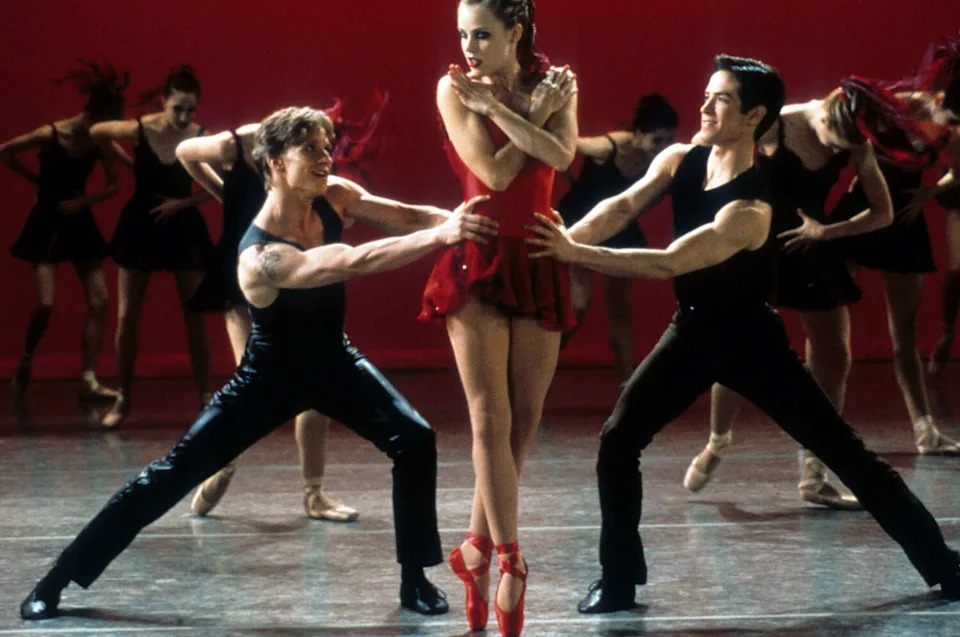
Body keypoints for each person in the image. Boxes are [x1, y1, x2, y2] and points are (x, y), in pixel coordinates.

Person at [19, 106, 498, 621]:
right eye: (309, 149)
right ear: (273, 162)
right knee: (168, 476)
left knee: (415, 439)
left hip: (334, 361)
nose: (325, 158)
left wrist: (463, 220)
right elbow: (352, 261)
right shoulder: (259, 256)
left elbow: (406, 215)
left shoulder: (335, 196)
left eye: (326, 147)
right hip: (268, 380)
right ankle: (56, 580)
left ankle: (414, 581)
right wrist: (441, 236)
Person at [525, 54, 960, 613]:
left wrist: (571, 254)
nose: (705, 105)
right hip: (692, 331)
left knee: (847, 456)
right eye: (708, 95)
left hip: (752, 341)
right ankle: (618, 580)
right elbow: (622, 206)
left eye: (722, 99)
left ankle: (945, 566)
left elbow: (669, 262)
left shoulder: (753, 206)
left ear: (754, 116)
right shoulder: (680, 159)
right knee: (618, 441)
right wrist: (565, 244)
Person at [683, 73, 960, 507]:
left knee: (834, 355)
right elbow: (714, 155)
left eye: (850, 145)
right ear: (828, 114)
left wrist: (827, 232)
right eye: (837, 141)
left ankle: (814, 472)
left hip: (806, 243)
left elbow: (883, 212)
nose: (840, 150)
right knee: (740, 349)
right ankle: (718, 440)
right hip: (756, 245)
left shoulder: (856, 140)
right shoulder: (781, 122)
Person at [419, 1, 577, 634]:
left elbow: (560, 156)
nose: (468, 46)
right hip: (477, 256)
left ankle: (475, 547)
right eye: (462, 33)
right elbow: (493, 171)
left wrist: (513, 111)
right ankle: (510, 561)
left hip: (536, 255)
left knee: (523, 423)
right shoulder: (455, 89)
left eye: (482, 34)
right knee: (490, 418)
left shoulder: (557, 82)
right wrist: (528, 115)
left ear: (516, 32)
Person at [177, 122, 356, 522]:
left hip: (295, 273)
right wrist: (223, 193)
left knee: (317, 382)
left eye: (321, 145)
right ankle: (224, 461)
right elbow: (185, 152)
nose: (319, 151)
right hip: (249, 275)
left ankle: (314, 493)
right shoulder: (238, 144)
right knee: (254, 385)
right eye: (308, 143)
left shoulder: (307, 167)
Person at [91, 65, 215, 428]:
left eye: (190, 109)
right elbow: (97, 131)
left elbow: (222, 184)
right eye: (177, 108)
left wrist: (183, 203)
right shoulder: (142, 128)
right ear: (164, 102)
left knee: (195, 316)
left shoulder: (200, 137)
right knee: (127, 317)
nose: (184, 116)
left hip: (183, 228)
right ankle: (123, 398)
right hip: (141, 225)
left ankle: (207, 398)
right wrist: (128, 162)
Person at [0, 60, 128, 400]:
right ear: (87, 115)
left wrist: (84, 201)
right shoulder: (51, 134)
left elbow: (115, 183)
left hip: (79, 220)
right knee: (46, 303)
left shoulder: (100, 142)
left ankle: (88, 378)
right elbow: (5, 151)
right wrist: (35, 182)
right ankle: (26, 357)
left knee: (100, 299)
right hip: (47, 219)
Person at [556, 94, 678, 383]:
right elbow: (564, 147)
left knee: (619, 309)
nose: (663, 147)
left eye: (668, 140)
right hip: (581, 224)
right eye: (657, 140)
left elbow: (643, 203)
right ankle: (538, 366)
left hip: (618, 228)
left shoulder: (663, 163)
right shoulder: (610, 146)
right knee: (578, 305)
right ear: (638, 134)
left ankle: (627, 382)